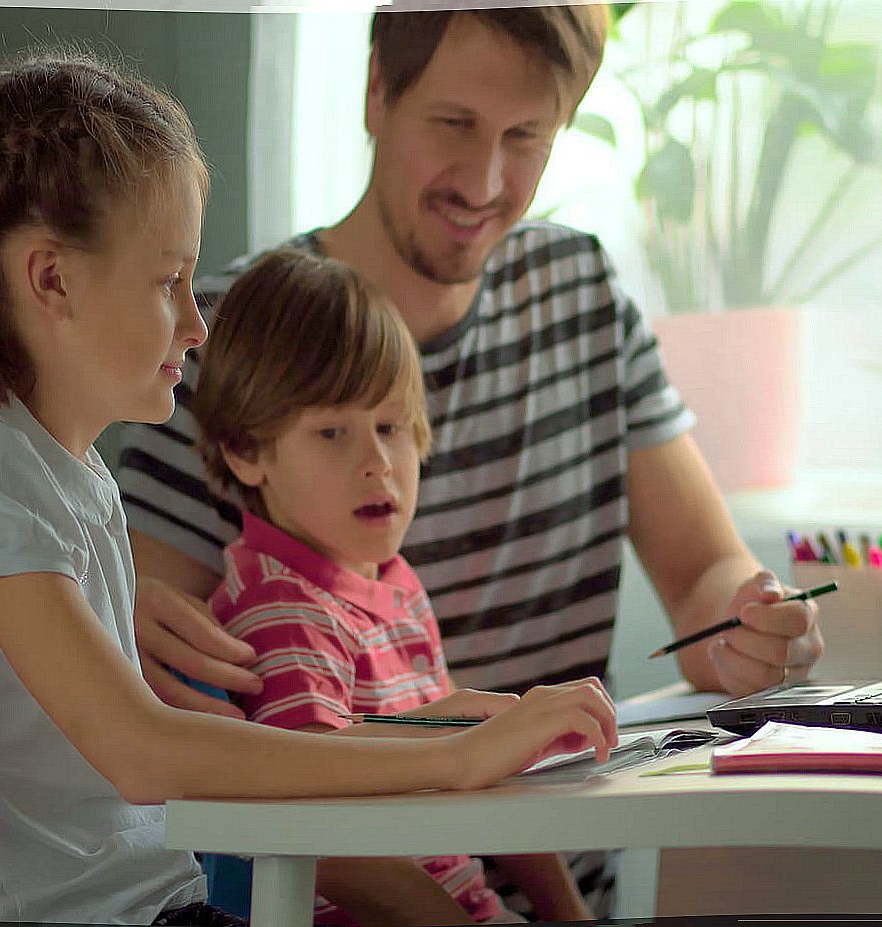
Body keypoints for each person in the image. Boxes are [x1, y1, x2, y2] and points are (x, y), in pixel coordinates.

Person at [0, 51, 616, 925]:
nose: (196, 322)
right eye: (167, 282)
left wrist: (440, 727)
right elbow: (144, 752)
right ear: (52, 278)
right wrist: (454, 760)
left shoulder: (58, 471)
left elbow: (179, 748)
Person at [116, 4, 825, 910]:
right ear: (377, 93)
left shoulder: (582, 294)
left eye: (526, 136)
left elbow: (702, 576)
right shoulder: (229, 333)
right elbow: (163, 692)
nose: (485, 179)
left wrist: (749, 620)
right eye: (453, 125)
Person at [191, 248, 591, 926]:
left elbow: (484, 768)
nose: (377, 462)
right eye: (332, 431)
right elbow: (323, 841)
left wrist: (572, 913)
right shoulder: (280, 609)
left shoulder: (395, 587)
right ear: (246, 451)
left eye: (389, 426)